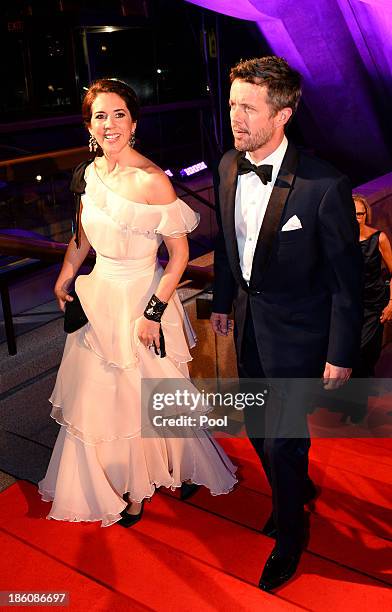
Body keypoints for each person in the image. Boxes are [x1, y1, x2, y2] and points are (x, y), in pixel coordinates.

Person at [38, 78, 237, 528]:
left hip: (142, 300)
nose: (110, 125)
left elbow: (180, 255)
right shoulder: (88, 174)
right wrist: (66, 272)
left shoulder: (152, 181)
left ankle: (141, 488)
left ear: (134, 121)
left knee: (146, 396)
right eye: (100, 116)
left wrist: (154, 312)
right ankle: (121, 478)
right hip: (99, 296)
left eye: (119, 114)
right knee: (101, 398)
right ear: (89, 124)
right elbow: (82, 236)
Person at [210, 56, 362, 591]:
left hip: (301, 336)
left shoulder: (325, 186)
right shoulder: (229, 165)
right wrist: (223, 306)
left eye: (248, 107)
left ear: (283, 115)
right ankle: (291, 491)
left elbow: (348, 282)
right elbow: (228, 249)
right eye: (232, 105)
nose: (236, 117)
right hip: (250, 326)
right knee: (256, 428)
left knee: (284, 441)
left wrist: (341, 354)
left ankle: (291, 537)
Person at [353, 193, 392, 376]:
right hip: (350, 306)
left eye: (360, 214)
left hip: (374, 305)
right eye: (353, 214)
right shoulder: (341, 240)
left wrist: (391, 302)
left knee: (364, 352)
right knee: (349, 354)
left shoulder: (379, 238)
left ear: (366, 215)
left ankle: (360, 400)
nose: (357, 218)